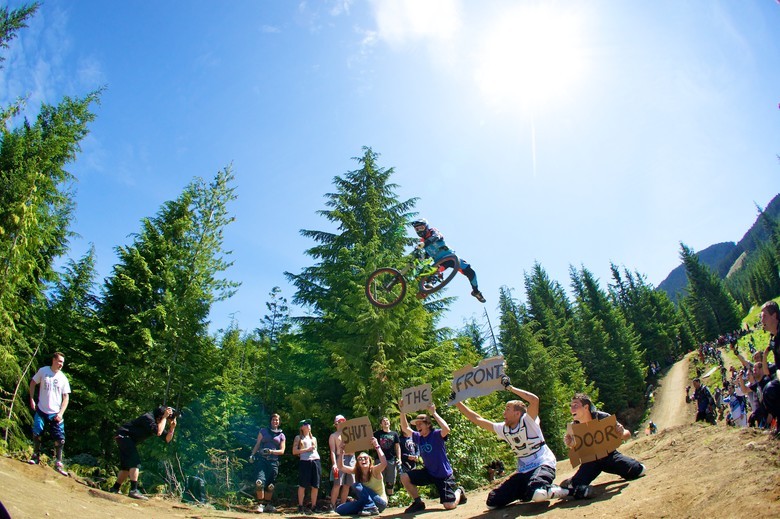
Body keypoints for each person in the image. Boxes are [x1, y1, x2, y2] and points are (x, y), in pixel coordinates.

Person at [455, 375, 567, 508]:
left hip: (542, 464)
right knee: (493, 502)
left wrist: (509, 387)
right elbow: (478, 419)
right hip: (523, 471)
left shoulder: (529, 421)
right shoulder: (504, 429)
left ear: (517, 413)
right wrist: (457, 402)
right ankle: (528, 492)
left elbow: (534, 400)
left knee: (538, 493)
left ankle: (564, 490)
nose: (504, 413)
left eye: (507, 409)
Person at [561, 393, 645, 499]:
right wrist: (570, 444)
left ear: (586, 407)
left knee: (638, 470)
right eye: (571, 406)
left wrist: (621, 433)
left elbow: (627, 435)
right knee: (575, 486)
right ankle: (573, 480)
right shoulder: (574, 427)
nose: (572, 409)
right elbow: (576, 449)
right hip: (590, 461)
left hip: (610, 456)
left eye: (575, 405)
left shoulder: (603, 418)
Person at [399, 400, 466, 514]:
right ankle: (418, 503)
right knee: (404, 477)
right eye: (417, 424)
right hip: (429, 472)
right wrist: (402, 411)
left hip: (443, 475)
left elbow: (446, 429)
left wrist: (434, 413)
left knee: (449, 505)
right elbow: (405, 428)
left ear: (428, 424)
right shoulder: (418, 437)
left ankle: (459, 491)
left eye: (421, 424)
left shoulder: (436, 434)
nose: (418, 426)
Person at [109, 406, 177, 499]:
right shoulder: (148, 418)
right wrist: (165, 417)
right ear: (160, 416)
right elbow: (159, 432)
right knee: (135, 463)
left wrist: (172, 428)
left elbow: (167, 439)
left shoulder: (157, 422)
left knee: (126, 467)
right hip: (124, 435)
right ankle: (134, 491)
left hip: (125, 438)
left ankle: (115, 488)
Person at [410, 218, 486, 303]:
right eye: (417, 229)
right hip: (439, 262)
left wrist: (424, 244)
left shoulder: (432, 232)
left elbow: (436, 237)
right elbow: (427, 255)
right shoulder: (422, 242)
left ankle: (476, 292)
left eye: (421, 228)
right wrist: (418, 256)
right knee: (433, 271)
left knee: (470, 272)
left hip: (450, 256)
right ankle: (427, 287)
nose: (419, 230)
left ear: (426, 227)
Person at [28, 352, 71, 475]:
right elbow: (32, 383)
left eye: (62, 362)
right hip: (42, 409)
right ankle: (35, 455)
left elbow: (66, 398)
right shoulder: (43, 371)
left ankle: (58, 462)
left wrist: (61, 413)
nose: (61, 364)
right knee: (37, 432)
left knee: (60, 439)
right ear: (53, 360)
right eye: (59, 361)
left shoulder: (63, 378)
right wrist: (31, 398)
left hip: (55, 413)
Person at [335, 437, 388, 516]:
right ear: (358, 463)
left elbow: (384, 463)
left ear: (370, 462)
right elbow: (340, 467)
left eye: (365, 458)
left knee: (356, 485)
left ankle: (371, 507)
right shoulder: (356, 471)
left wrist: (377, 446)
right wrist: (342, 451)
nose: (363, 460)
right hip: (365, 501)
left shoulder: (375, 471)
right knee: (340, 509)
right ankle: (367, 508)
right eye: (360, 459)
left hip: (380, 502)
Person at [249, 413, 285, 513]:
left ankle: (267, 504)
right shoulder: (263, 431)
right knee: (259, 482)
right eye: (273, 419)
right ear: (270, 421)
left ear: (279, 422)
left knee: (271, 485)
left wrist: (271, 451)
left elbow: (282, 451)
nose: (275, 421)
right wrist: (252, 454)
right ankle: (260, 504)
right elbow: (258, 444)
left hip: (274, 462)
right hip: (262, 460)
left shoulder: (281, 435)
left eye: (277, 420)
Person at [293, 419, 321, 514]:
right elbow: (294, 451)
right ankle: (300, 506)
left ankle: (314, 506)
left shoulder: (314, 439)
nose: (308, 425)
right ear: (301, 427)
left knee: (315, 485)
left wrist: (310, 449)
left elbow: (315, 450)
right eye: (305, 424)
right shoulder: (298, 438)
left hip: (315, 461)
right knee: (302, 484)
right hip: (305, 462)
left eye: (309, 423)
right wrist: (306, 449)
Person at [328, 414, 354, 511]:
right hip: (340, 458)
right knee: (337, 483)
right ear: (335, 424)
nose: (341, 423)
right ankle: (332, 505)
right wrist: (334, 463)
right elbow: (333, 451)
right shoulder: (333, 436)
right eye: (339, 422)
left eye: (343, 421)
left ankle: (342, 506)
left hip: (351, 458)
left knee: (347, 484)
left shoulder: (350, 434)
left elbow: (354, 450)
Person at [373, 416, 401, 496]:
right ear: (381, 424)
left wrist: (399, 458)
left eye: (387, 420)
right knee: (380, 480)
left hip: (391, 459)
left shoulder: (394, 434)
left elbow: (397, 446)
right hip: (379, 460)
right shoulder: (377, 434)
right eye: (384, 421)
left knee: (390, 481)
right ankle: (381, 498)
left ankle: (390, 499)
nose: (386, 422)